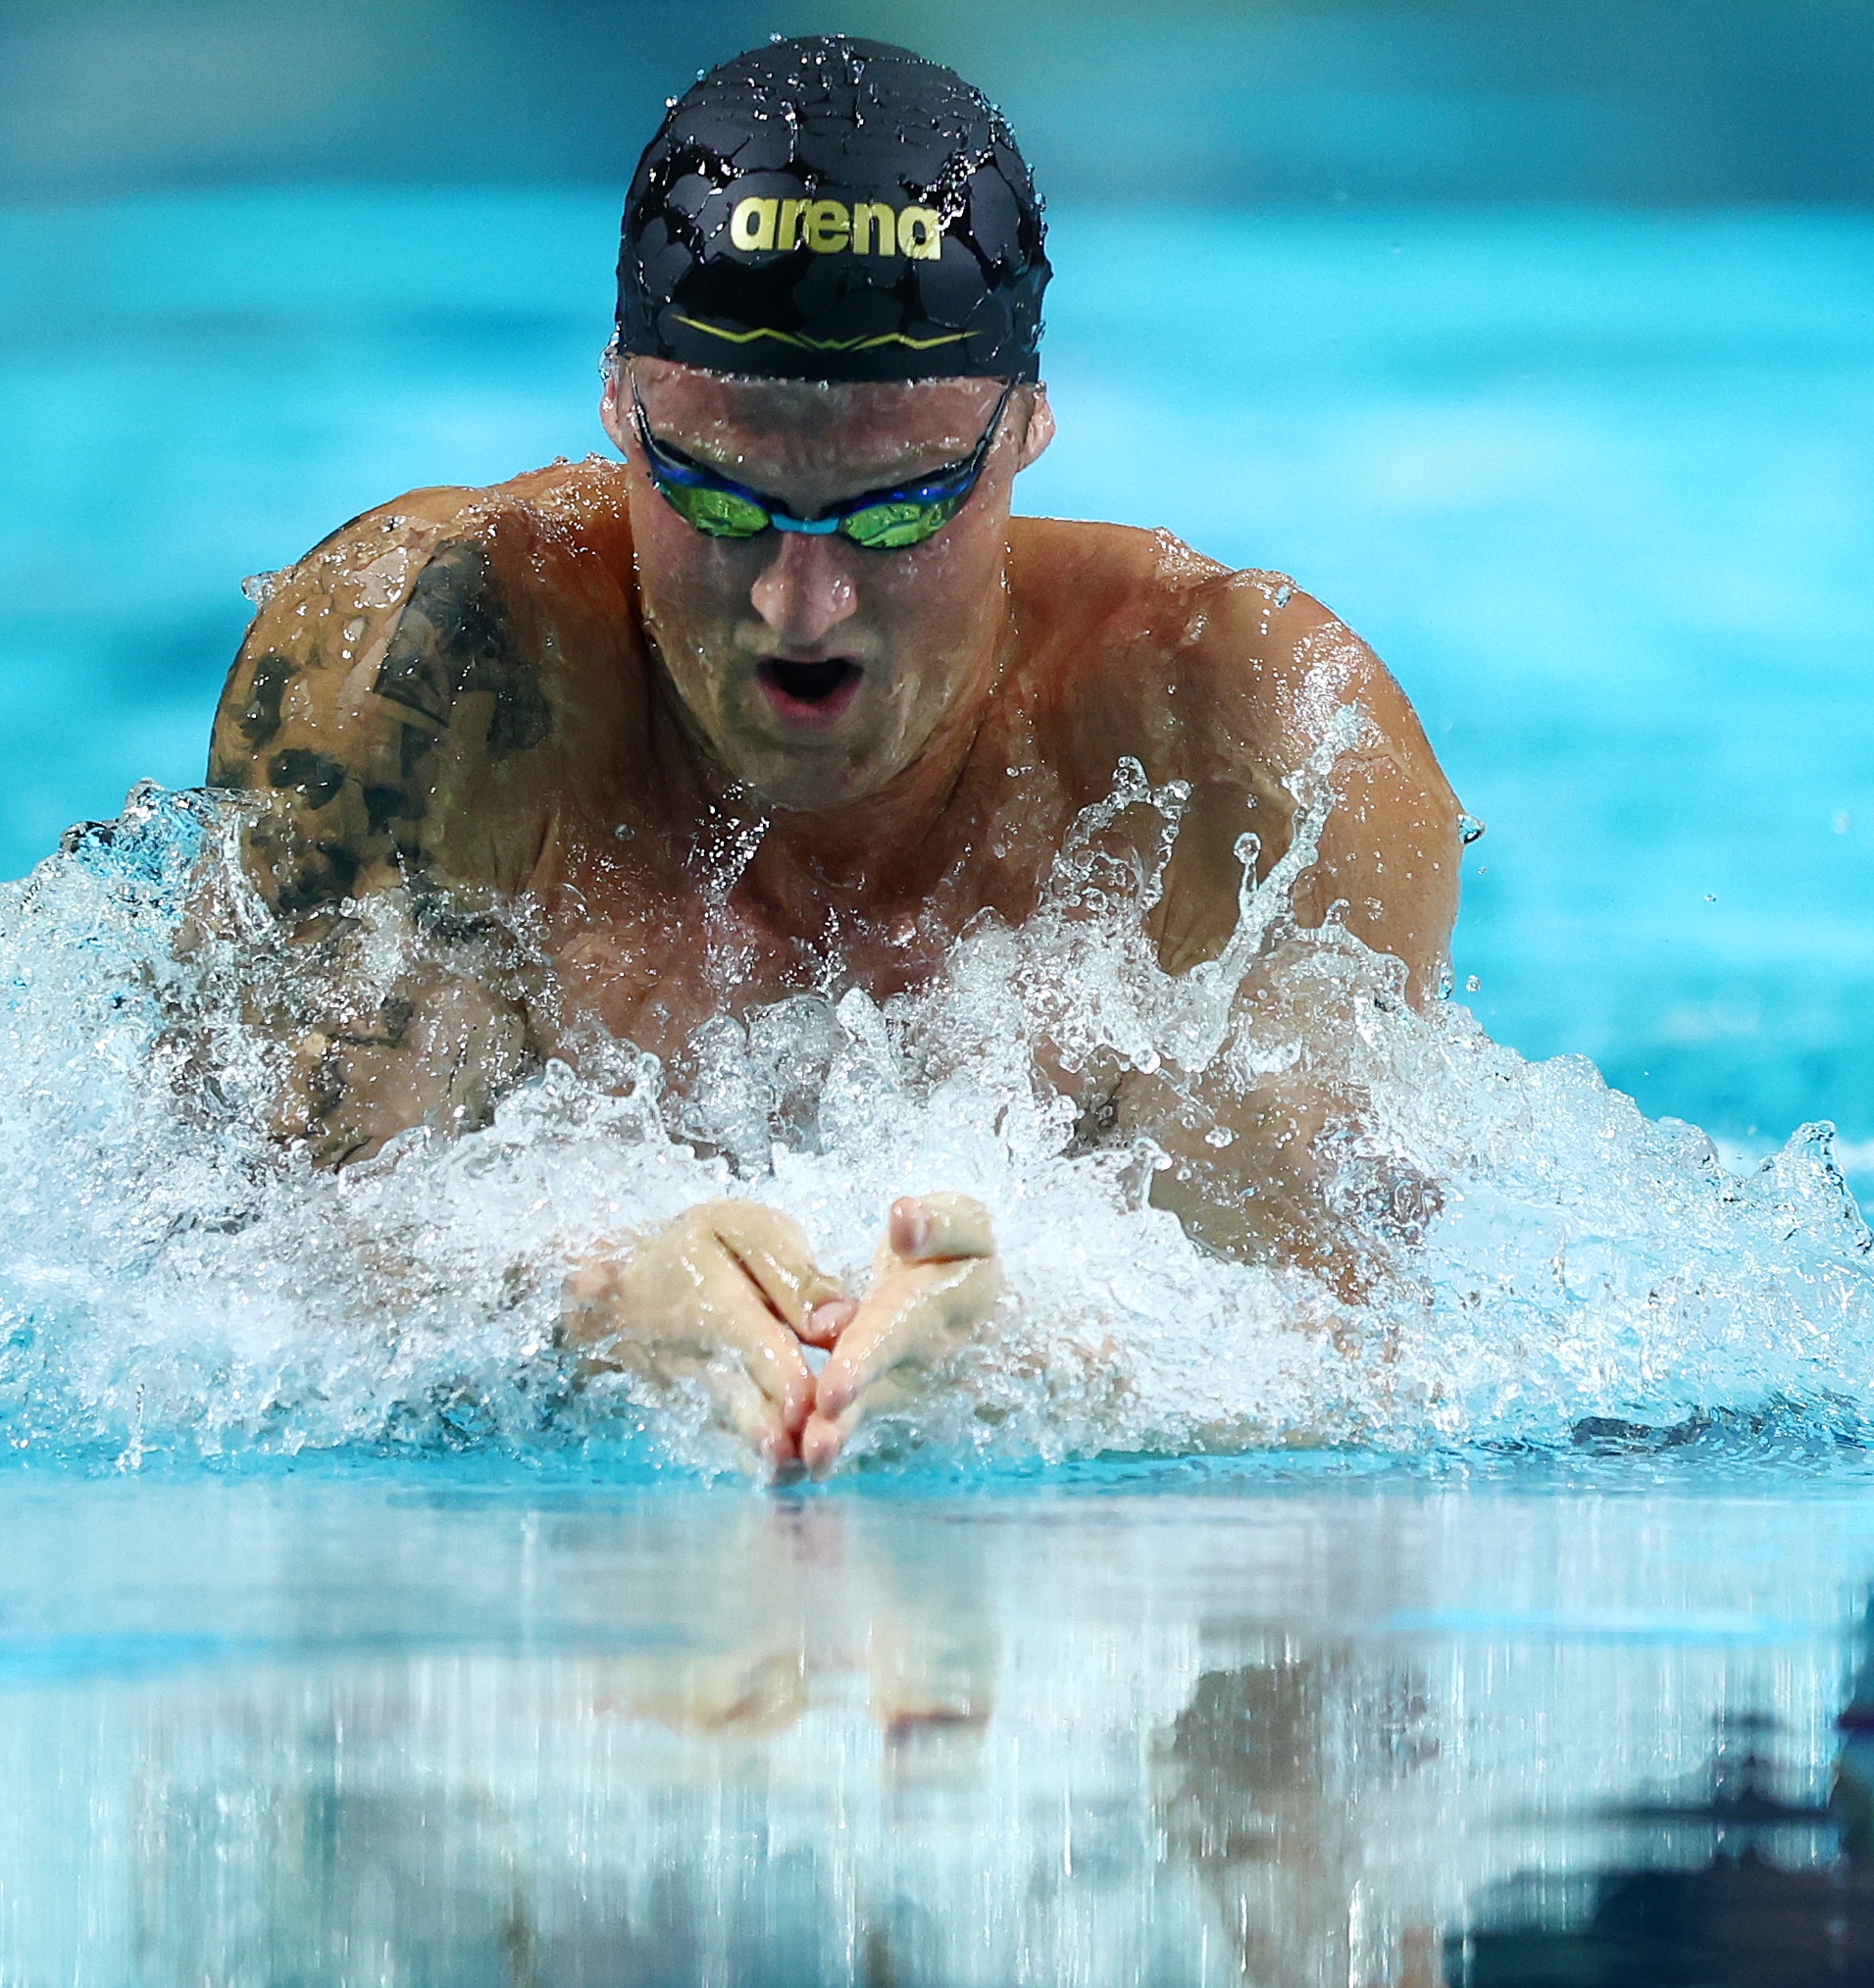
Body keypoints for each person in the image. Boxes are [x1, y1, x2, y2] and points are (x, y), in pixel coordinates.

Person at [202, 36, 1461, 1476]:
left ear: (1027, 433)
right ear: (617, 405)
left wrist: (1070, 1362)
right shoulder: (423, 667)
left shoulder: (1251, 748)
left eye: (894, 508)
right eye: (715, 495)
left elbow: (1364, 1373)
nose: (801, 606)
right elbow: (223, 1253)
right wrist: (581, 1306)